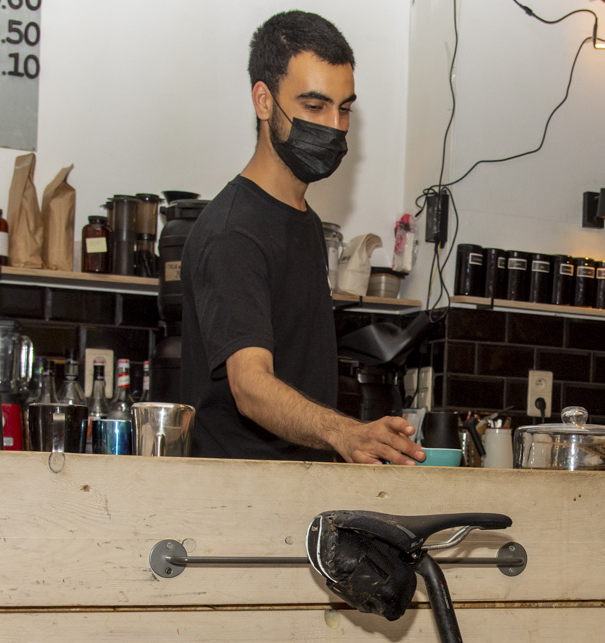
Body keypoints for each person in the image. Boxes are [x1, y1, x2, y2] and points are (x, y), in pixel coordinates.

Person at [180, 10, 424, 464]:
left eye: (344, 108)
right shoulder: (233, 233)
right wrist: (344, 432)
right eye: (314, 107)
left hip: (298, 492)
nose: (332, 125)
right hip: (239, 497)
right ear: (264, 101)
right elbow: (250, 386)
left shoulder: (306, 223)